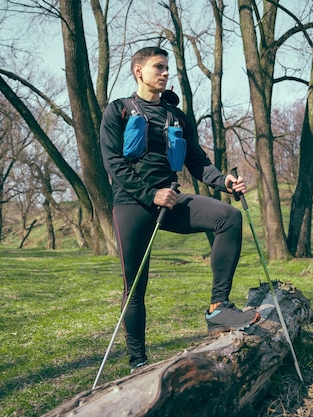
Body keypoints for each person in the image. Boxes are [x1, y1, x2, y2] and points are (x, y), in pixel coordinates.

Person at [99, 46, 260, 372]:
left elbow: (197, 162)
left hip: (171, 201)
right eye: (158, 67)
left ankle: (218, 308)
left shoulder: (177, 117)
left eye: (167, 68)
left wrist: (224, 181)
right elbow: (113, 164)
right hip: (132, 204)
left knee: (228, 217)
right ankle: (138, 362)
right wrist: (150, 193)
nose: (165, 73)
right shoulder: (118, 110)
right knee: (135, 288)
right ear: (138, 71)